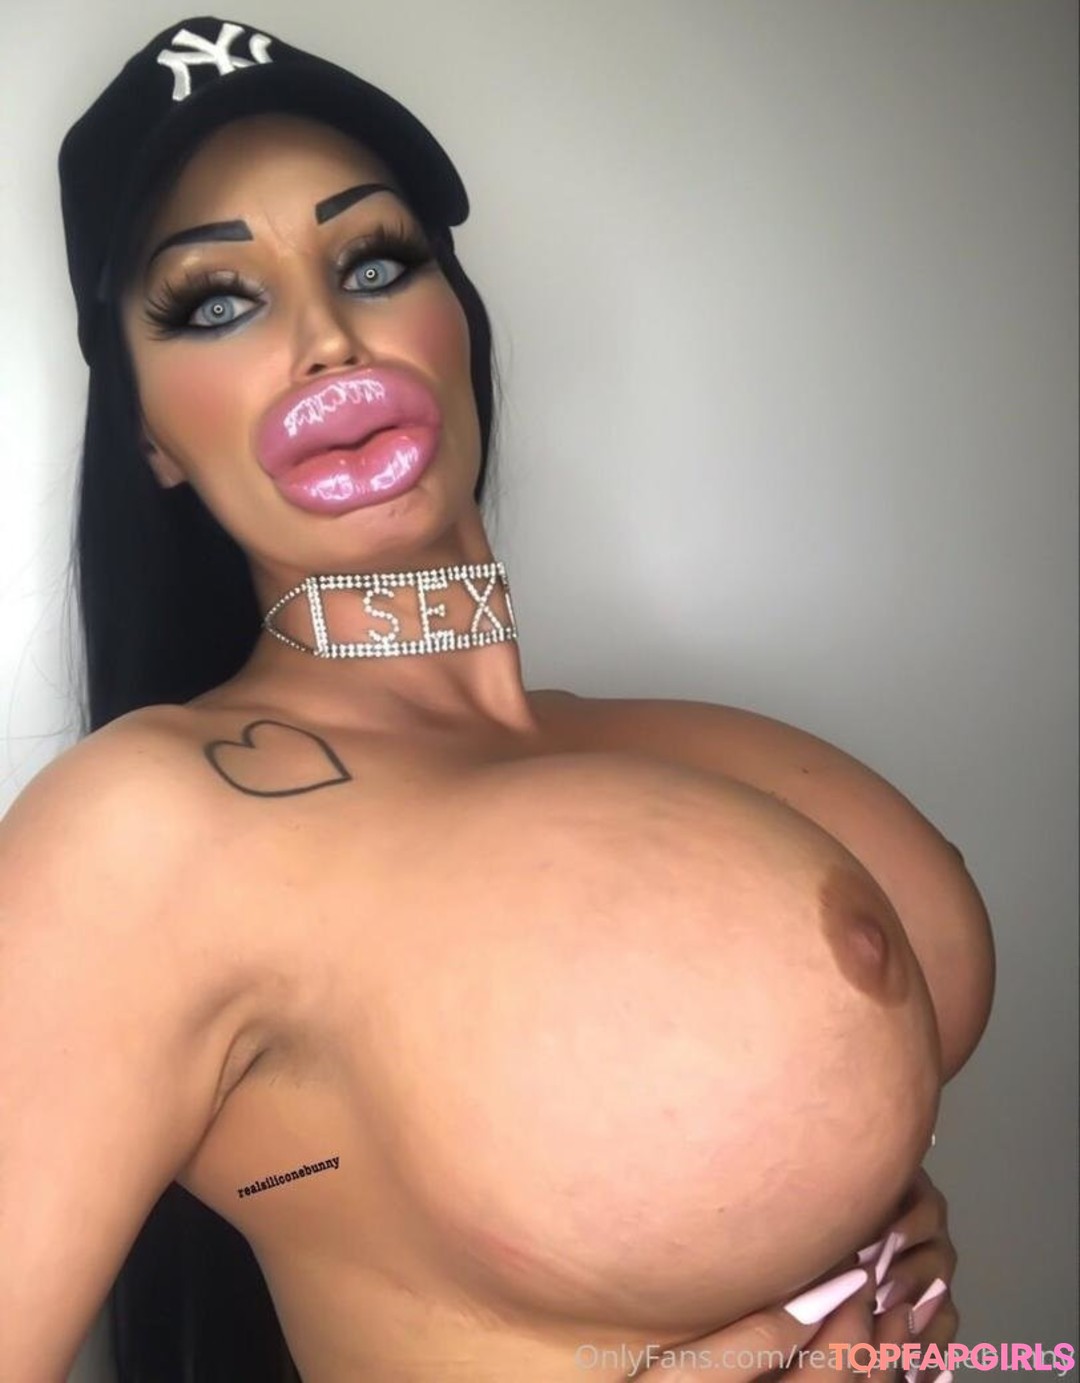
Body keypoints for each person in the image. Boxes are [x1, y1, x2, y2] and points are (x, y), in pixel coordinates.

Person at [0, 14, 993, 1382]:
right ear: (148, 433)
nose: (328, 338)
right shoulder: (147, 830)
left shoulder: (690, 747)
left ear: (456, 321)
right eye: (216, 302)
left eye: (374, 261)